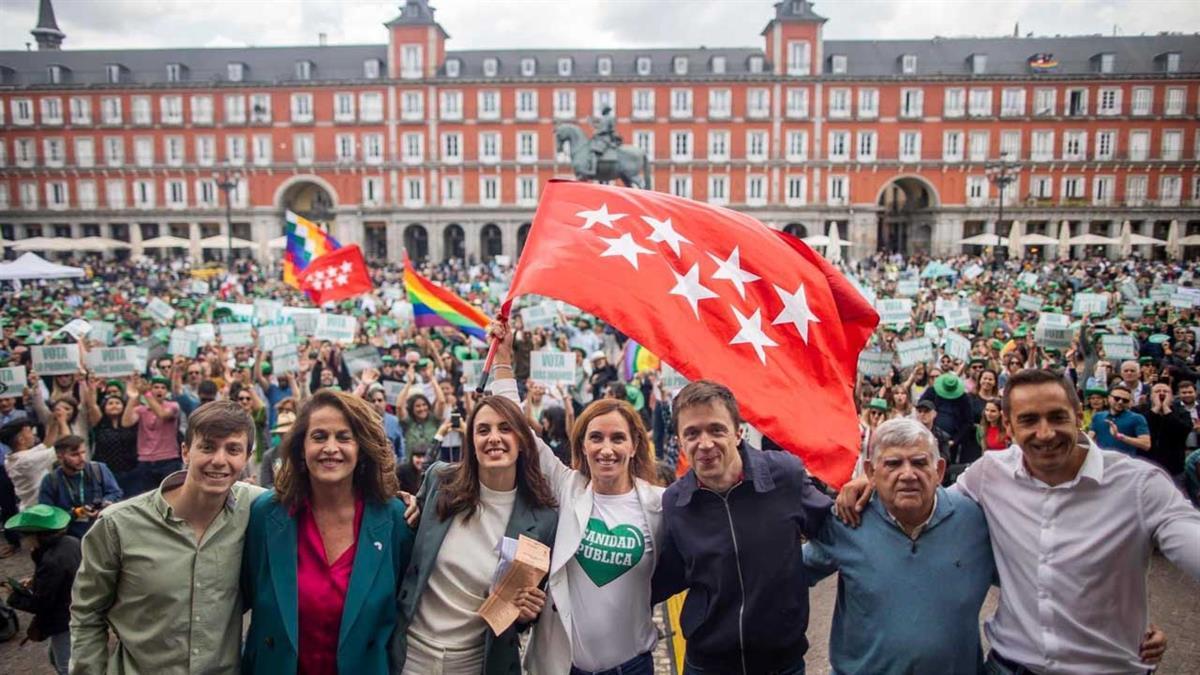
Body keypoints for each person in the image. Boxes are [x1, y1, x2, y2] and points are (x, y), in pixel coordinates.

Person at [838, 369, 1200, 673]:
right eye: (1029, 420)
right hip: (1009, 665)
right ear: (1008, 425)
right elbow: (930, 497)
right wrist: (874, 481)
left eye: (1057, 416)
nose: (1045, 433)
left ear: (1079, 414)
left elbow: (1188, 537)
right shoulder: (989, 474)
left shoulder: (1139, 485)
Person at [488, 320, 666, 675]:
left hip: (634, 666)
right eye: (596, 438)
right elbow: (519, 431)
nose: (606, 449)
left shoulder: (660, 504)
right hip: (565, 666)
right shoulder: (567, 487)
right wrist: (503, 360)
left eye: (618, 439)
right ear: (582, 445)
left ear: (634, 445)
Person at [651, 380, 832, 675]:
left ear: (738, 433)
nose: (705, 443)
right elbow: (663, 576)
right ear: (681, 442)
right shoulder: (675, 502)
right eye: (692, 433)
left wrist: (801, 571)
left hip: (781, 664)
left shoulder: (785, 476)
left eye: (716, 429)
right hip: (707, 664)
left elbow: (835, 532)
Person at [71, 401, 266, 673]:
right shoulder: (118, 525)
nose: (219, 460)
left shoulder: (258, 508)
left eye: (233, 449)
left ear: (246, 458)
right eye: (207, 447)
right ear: (185, 451)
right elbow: (87, 614)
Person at [241, 389, 415, 674]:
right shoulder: (266, 515)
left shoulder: (396, 520)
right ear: (300, 447)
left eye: (343, 437)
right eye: (319, 437)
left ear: (361, 448)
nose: (331, 448)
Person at [803, 418, 995, 674]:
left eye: (919, 462)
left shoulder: (975, 521)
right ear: (870, 472)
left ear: (939, 470)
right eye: (893, 464)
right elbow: (788, 573)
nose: (907, 474)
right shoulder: (848, 520)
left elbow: (1027, 581)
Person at [392, 394, 558, 674]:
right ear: (472, 443)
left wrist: (524, 614)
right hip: (411, 655)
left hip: (478, 663)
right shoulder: (439, 481)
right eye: (483, 430)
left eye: (505, 428)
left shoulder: (543, 519)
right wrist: (400, 504)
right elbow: (408, 530)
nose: (494, 438)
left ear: (521, 442)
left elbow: (520, 609)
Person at [2, 504, 80, 675]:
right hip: (76, 612)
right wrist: (36, 580)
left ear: (37, 535)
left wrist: (13, 596)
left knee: (66, 666)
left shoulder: (50, 561)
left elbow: (41, 604)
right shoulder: (71, 542)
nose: (22, 539)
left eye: (24, 535)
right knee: (56, 657)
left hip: (63, 621)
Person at [37, 435, 121, 539]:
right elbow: (47, 515)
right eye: (75, 455)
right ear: (60, 457)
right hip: (70, 537)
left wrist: (105, 503)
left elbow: (115, 493)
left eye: (83, 452)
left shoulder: (98, 469)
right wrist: (76, 513)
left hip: (102, 531)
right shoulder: (50, 481)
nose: (82, 458)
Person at [120, 375, 182, 495]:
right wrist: (135, 396)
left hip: (168, 460)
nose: (159, 390)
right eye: (156, 387)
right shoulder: (142, 409)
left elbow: (162, 414)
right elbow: (126, 422)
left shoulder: (173, 406)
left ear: (167, 391)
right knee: (148, 500)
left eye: (163, 388)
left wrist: (146, 393)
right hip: (145, 461)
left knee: (170, 497)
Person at [84, 391, 139, 497]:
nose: (114, 405)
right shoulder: (99, 424)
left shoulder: (130, 423)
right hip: (106, 472)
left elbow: (134, 404)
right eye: (110, 403)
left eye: (117, 403)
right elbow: (92, 405)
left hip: (131, 471)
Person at [1134, 381, 1193, 477]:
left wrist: (1166, 409)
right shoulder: (1138, 411)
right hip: (1145, 464)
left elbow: (1183, 430)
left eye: (1165, 391)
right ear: (1150, 395)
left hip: (1174, 468)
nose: (1161, 393)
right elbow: (1141, 426)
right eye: (1157, 391)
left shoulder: (1182, 412)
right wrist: (1156, 409)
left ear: (1172, 397)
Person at [1, 417, 55, 510]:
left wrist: (56, 423)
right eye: (30, 432)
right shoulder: (27, 460)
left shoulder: (12, 458)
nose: (33, 434)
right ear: (21, 440)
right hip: (39, 510)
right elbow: (61, 450)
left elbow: (45, 445)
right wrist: (63, 423)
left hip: (29, 507)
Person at [1089, 384, 1151, 457]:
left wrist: (1120, 436)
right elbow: (1090, 438)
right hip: (1102, 462)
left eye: (1125, 400)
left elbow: (1146, 444)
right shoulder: (1098, 416)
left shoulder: (1137, 418)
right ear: (1109, 398)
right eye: (1117, 398)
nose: (1120, 402)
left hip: (1125, 464)